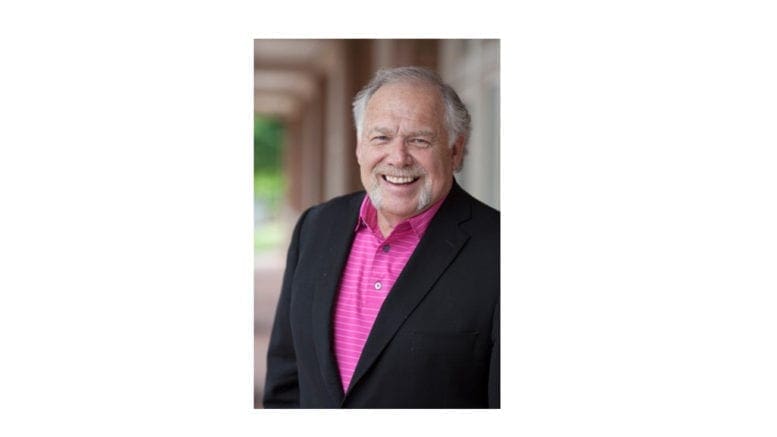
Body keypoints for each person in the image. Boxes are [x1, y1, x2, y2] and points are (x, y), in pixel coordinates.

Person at [263, 66, 499, 408]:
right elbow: (287, 380)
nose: (398, 157)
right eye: (381, 137)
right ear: (360, 147)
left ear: (455, 150)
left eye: (420, 140)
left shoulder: (499, 250)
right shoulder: (315, 227)